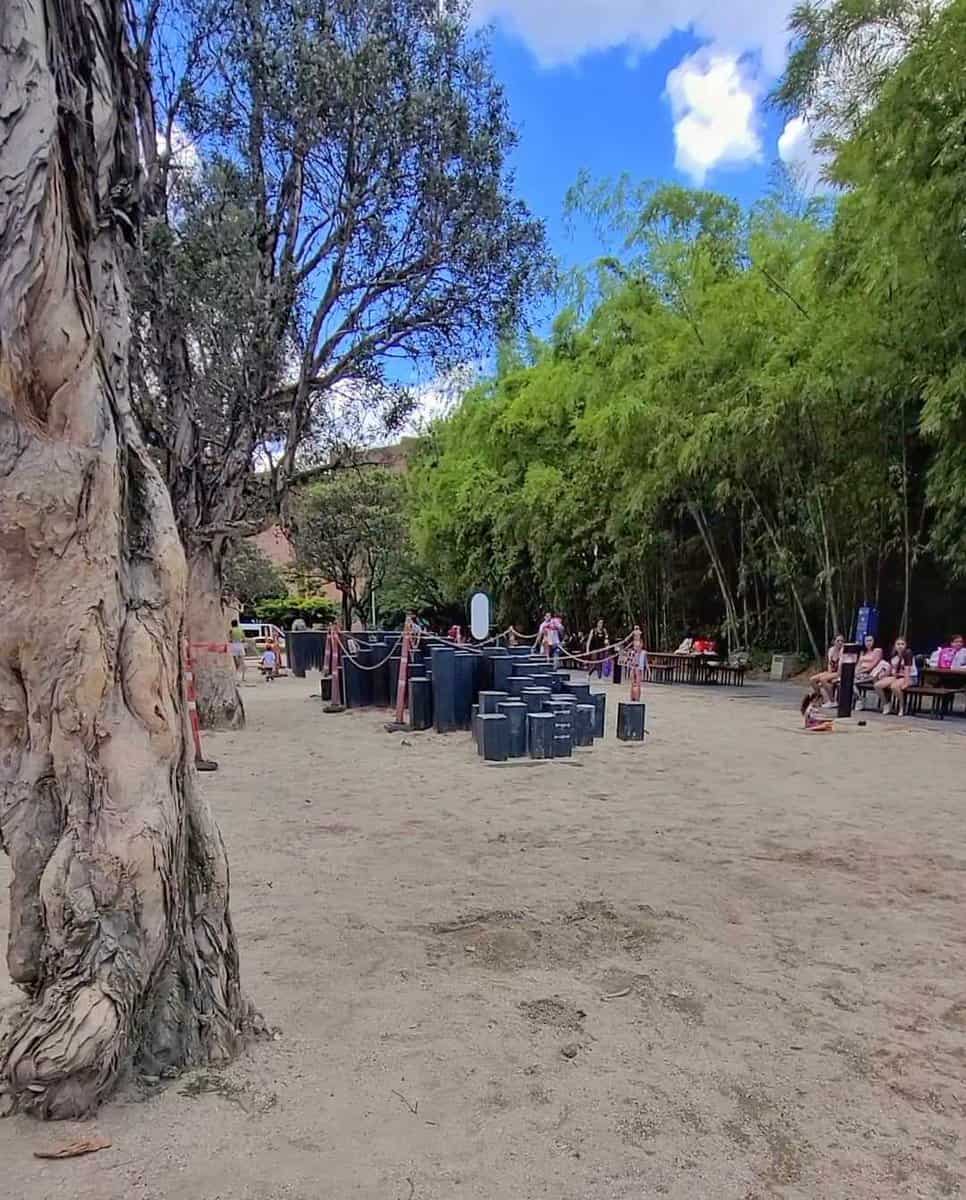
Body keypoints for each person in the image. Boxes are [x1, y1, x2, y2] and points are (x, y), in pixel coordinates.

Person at [874, 637, 917, 715]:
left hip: (910, 677)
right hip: (897, 676)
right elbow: (890, 668)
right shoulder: (894, 655)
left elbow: (907, 670)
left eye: (902, 644)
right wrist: (883, 674)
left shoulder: (908, 653)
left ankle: (902, 706)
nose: (900, 646)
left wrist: (906, 683)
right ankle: (886, 704)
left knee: (894, 686)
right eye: (898, 644)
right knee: (877, 685)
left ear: (905, 645)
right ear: (895, 646)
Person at [852, 635, 885, 711]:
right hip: (860, 673)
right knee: (846, 680)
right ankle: (859, 699)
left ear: (874, 641)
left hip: (870, 673)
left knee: (851, 682)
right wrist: (855, 671)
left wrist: (861, 671)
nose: (868, 643)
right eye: (866, 641)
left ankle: (859, 700)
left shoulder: (877, 651)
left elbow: (874, 665)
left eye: (870, 640)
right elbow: (859, 663)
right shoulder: (863, 652)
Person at [811, 634, 844, 707]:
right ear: (834, 641)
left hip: (839, 672)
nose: (840, 642)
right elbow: (830, 663)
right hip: (832, 671)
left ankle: (832, 701)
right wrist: (829, 673)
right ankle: (820, 697)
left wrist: (831, 676)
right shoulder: (831, 650)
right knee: (812, 679)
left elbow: (840, 668)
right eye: (838, 641)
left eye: (842, 641)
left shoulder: (843, 651)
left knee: (823, 679)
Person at [229, 619, 247, 683]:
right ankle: (243, 677)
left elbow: (230, 639)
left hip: (233, 646)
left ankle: (236, 677)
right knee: (242, 661)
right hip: (240, 645)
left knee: (235, 662)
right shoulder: (241, 630)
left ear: (232, 624)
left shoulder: (231, 630)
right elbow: (244, 639)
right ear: (237, 624)